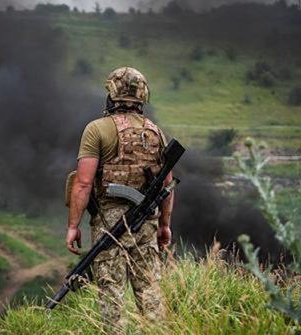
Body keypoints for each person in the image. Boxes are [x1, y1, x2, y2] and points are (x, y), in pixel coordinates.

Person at [65, 67, 174, 332]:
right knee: (149, 290)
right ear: (142, 95)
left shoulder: (97, 130)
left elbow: (83, 182)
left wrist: (72, 226)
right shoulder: (156, 133)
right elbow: (168, 186)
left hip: (109, 223)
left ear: (112, 94)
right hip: (146, 224)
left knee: (111, 292)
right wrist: (164, 225)